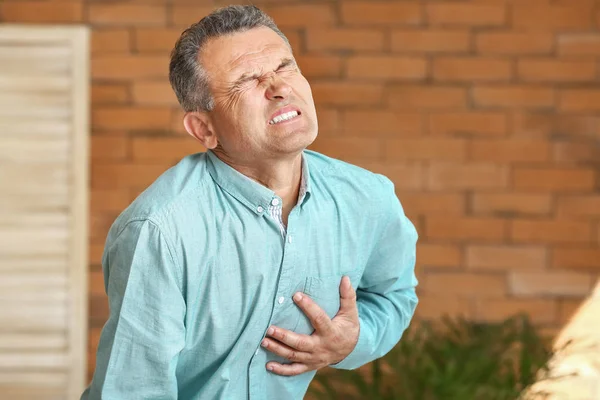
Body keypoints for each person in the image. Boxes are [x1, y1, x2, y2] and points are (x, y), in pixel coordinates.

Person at [81, 5, 418, 400]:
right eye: (246, 80)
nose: (279, 87)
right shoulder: (160, 231)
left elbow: (392, 295)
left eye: (286, 66)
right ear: (204, 128)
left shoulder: (367, 198)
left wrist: (353, 340)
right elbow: (134, 392)